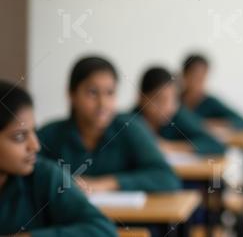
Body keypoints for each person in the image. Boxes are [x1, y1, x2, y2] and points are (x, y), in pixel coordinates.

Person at [37, 56, 180, 193]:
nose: (102, 103)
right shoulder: (49, 135)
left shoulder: (130, 128)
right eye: (93, 92)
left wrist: (106, 184)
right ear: (71, 94)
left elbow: (167, 179)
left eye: (110, 93)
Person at [0, 80, 117, 236]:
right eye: (20, 136)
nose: (35, 146)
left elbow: (103, 229)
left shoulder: (44, 175)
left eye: (34, 131)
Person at [125, 66, 225, 155]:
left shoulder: (177, 116)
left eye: (173, 100)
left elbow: (215, 145)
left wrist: (170, 147)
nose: (168, 107)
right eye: (160, 100)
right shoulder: (128, 121)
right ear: (141, 98)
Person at [180, 54, 243, 130]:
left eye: (203, 77)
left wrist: (208, 124)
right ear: (184, 75)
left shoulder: (210, 102)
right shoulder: (173, 101)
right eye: (195, 76)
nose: (200, 82)